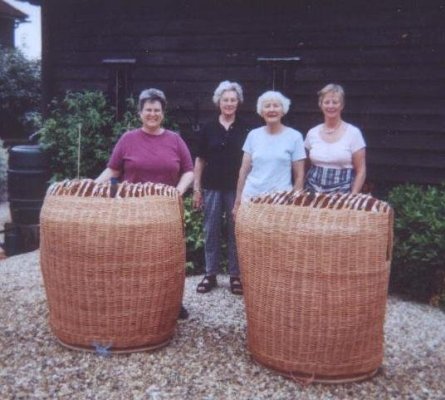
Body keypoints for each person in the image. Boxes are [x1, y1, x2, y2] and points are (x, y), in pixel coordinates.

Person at [96, 88, 194, 319]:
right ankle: (133, 304)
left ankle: (171, 303)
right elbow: (113, 169)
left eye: (157, 110)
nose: (152, 114)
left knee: (167, 260)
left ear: (163, 113)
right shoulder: (128, 139)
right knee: (133, 259)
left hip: (165, 210)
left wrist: (178, 191)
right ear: (140, 113)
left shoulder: (175, 139)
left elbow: (189, 171)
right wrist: (91, 185)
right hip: (133, 211)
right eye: (148, 110)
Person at [193, 81, 250, 295]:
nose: (229, 103)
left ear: (238, 102)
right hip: (212, 187)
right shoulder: (208, 128)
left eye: (233, 100)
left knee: (235, 232)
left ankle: (235, 276)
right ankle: (210, 274)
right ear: (219, 102)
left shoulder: (245, 127)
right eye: (225, 100)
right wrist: (197, 189)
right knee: (211, 230)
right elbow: (200, 160)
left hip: (237, 189)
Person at [233, 90, 306, 212]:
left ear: (283, 110)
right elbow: (244, 171)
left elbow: (299, 176)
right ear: (261, 112)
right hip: (251, 199)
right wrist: (238, 201)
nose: (272, 109)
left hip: (281, 202)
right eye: (267, 106)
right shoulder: (253, 135)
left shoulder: (295, 137)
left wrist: (296, 203)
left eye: (276, 106)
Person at [304, 83, 366, 194]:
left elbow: (361, 170)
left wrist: (353, 195)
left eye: (335, 102)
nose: (330, 106)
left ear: (342, 105)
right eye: (326, 102)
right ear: (321, 105)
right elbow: (305, 166)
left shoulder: (353, 133)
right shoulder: (312, 133)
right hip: (312, 193)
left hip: (342, 195)